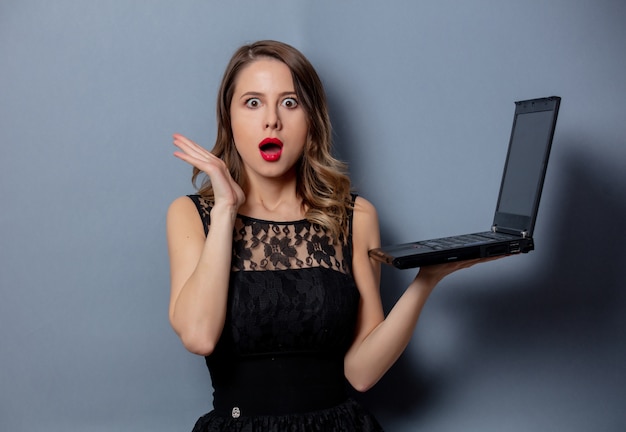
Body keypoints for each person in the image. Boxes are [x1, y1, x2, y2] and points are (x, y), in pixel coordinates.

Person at [166, 40, 492, 431]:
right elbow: (199, 336)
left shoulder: (356, 216)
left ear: (312, 119)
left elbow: (361, 372)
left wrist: (427, 280)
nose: (272, 120)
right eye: (253, 103)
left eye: (290, 102)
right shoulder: (192, 215)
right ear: (229, 118)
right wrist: (225, 210)